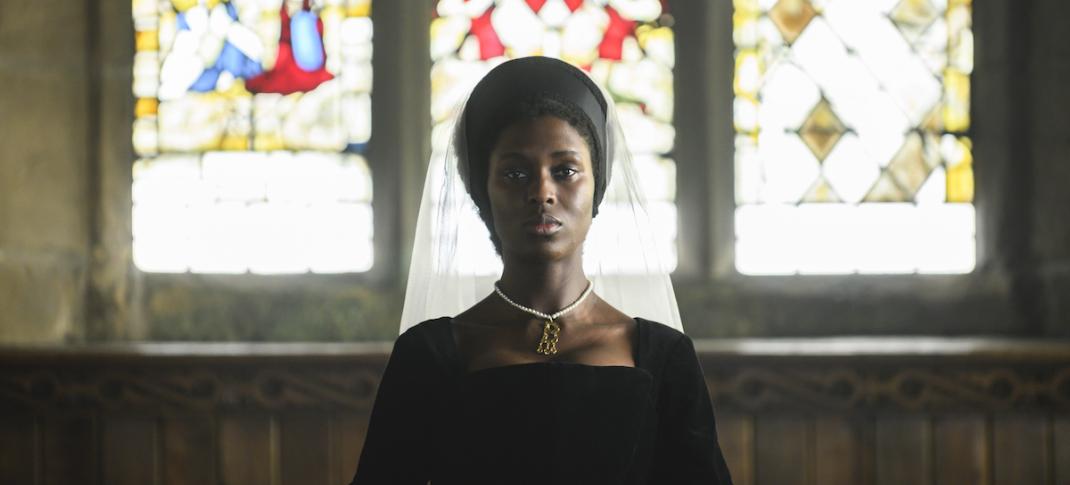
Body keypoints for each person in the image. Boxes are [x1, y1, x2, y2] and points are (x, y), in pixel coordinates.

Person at [349, 56, 733, 485]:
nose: (542, 193)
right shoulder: (429, 354)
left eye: (565, 170)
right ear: (484, 192)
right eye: (515, 173)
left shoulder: (663, 356)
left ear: (597, 186)